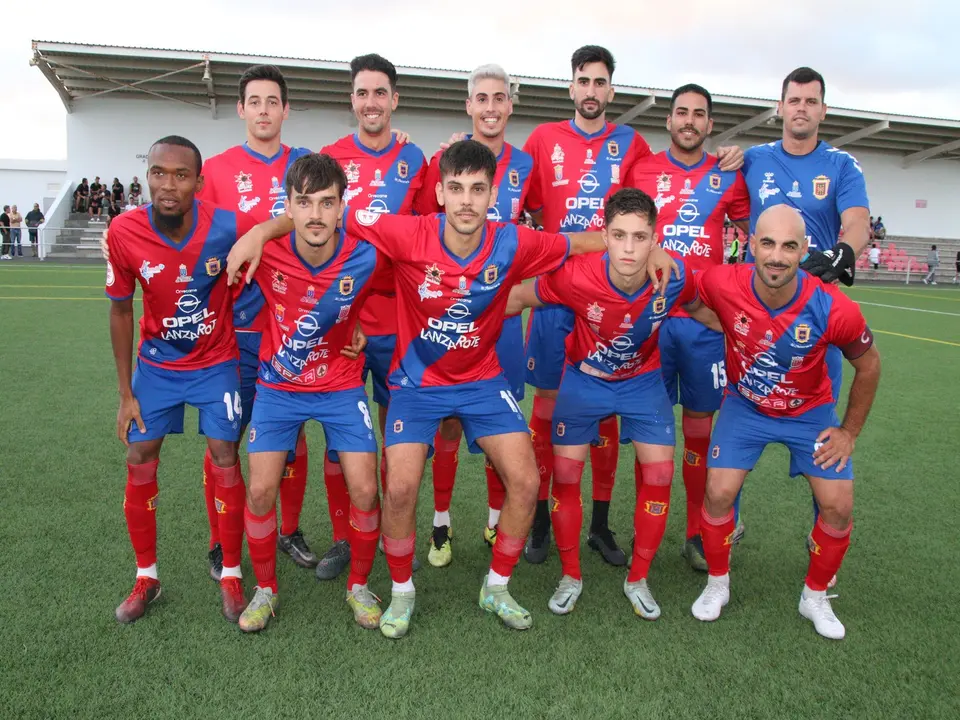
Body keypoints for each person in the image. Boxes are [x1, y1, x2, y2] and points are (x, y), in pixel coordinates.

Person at [227, 140, 680, 638]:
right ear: (439, 192)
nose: (466, 200)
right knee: (398, 487)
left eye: (478, 190)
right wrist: (261, 231)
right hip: (417, 383)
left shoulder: (514, 241)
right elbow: (318, 215)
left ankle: (497, 586)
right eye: (457, 188)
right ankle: (400, 592)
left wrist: (647, 247)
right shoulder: (405, 231)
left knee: (526, 482)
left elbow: (580, 242)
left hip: (482, 379)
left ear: (492, 197)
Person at [521, 45, 744, 566]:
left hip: (637, 302)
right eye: (584, 81)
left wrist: (739, 157)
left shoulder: (634, 148)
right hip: (563, 293)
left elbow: (646, 214)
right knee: (550, 408)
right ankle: (537, 521)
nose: (592, 90)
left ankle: (600, 523)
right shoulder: (542, 139)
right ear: (572, 87)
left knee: (615, 411)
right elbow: (528, 205)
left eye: (601, 82)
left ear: (611, 91)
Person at [506, 188, 719, 616]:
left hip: (642, 382)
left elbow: (704, 309)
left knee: (659, 475)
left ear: (655, 238)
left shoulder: (673, 276)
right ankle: (571, 575)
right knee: (565, 479)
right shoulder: (576, 275)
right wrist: (463, 315)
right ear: (604, 236)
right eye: (619, 235)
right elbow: (517, 298)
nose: (628, 248)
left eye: (640, 237)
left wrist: (746, 338)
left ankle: (638, 579)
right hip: (584, 382)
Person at [690, 204, 880, 640]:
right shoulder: (722, 280)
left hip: (809, 415)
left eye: (789, 246)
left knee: (838, 505)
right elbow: (688, 295)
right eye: (769, 243)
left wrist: (848, 432)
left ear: (804, 251)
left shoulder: (832, 306)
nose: (777, 256)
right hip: (746, 407)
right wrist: (729, 325)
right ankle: (717, 584)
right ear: (751, 244)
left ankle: (814, 596)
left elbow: (868, 365)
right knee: (718, 492)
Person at [104, 135, 258, 624]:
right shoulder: (124, 230)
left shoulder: (226, 225)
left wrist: (259, 234)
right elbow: (121, 310)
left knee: (225, 455)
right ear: (147, 175)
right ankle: (146, 577)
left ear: (198, 181)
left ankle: (231, 573)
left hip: (216, 364)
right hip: (159, 368)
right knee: (140, 455)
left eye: (180, 175)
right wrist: (126, 395)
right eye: (158, 173)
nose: (168, 185)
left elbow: (286, 227)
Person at [237, 154, 386, 633]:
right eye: (304, 203)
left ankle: (359, 586)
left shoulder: (365, 255)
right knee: (260, 489)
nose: (316, 214)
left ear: (343, 207)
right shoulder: (267, 251)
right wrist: (261, 232)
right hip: (279, 385)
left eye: (327, 203)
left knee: (364, 486)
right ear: (289, 207)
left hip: (341, 383)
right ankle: (265, 590)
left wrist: (359, 321)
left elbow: (391, 290)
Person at [740, 66, 871, 543]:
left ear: (823, 110)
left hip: (816, 316)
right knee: (736, 423)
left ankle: (823, 544)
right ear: (780, 107)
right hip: (755, 313)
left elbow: (856, 220)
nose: (801, 108)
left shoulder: (841, 165)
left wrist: (846, 251)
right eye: (793, 100)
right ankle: (722, 533)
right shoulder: (753, 159)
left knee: (822, 434)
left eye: (810, 101)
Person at [196, 64, 317, 575]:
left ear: (285, 110)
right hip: (236, 328)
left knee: (292, 436)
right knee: (225, 434)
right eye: (255, 102)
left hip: (295, 327)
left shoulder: (307, 166)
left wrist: (267, 229)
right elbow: (201, 245)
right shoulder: (219, 169)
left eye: (274, 102)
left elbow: (323, 218)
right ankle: (222, 539)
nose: (264, 111)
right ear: (241, 108)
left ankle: (288, 530)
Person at [624, 83, 751, 571]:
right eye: (682, 112)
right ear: (670, 119)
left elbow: (755, 231)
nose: (690, 121)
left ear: (711, 124)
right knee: (648, 431)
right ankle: (645, 526)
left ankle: (699, 531)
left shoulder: (728, 175)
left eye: (699, 114)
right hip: (651, 320)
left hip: (703, 325)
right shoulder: (643, 169)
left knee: (700, 432)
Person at [414, 62, 535, 565]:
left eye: (498, 98)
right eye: (480, 98)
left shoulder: (527, 164)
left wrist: (520, 293)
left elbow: (544, 231)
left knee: (499, 426)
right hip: (447, 317)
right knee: (445, 426)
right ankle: (440, 524)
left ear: (510, 105)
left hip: (501, 320)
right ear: (469, 105)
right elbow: (420, 228)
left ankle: (493, 520)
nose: (490, 107)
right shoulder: (443, 161)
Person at [312, 53, 427, 580]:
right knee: (343, 436)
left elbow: (429, 233)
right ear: (352, 99)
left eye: (381, 92)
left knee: (395, 432)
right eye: (362, 92)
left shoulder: (415, 158)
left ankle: (391, 529)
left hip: (401, 319)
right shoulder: (330, 158)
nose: (372, 102)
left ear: (394, 99)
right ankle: (344, 536)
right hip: (345, 317)